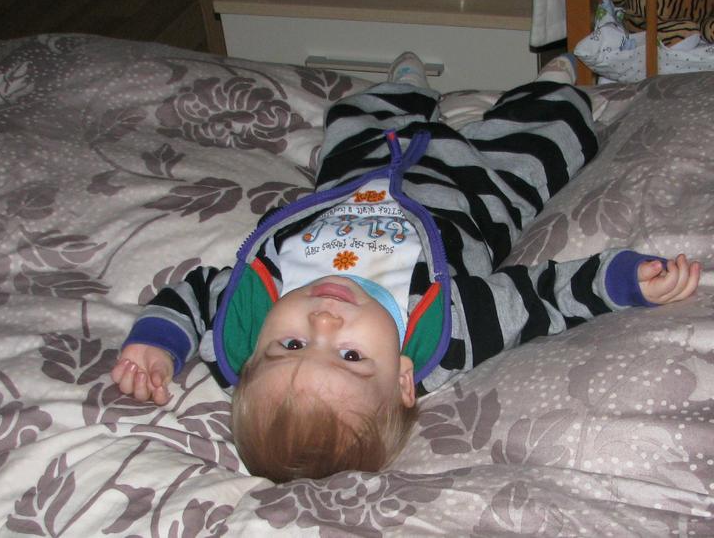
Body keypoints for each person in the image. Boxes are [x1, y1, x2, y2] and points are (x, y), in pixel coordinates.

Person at [111, 52, 701, 483]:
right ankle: (549, 83)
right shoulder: (449, 328)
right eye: (350, 356)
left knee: (353, 119)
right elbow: (538, 297)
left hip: (362, 170)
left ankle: (405, 87)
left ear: (251, 352)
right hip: (475, 190)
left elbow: (195, 294)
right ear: (401, 377)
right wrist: (620, 280)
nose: (322, 323)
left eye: (289, 345)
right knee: (551, 140)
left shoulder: (250, 305)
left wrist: (157, 342)